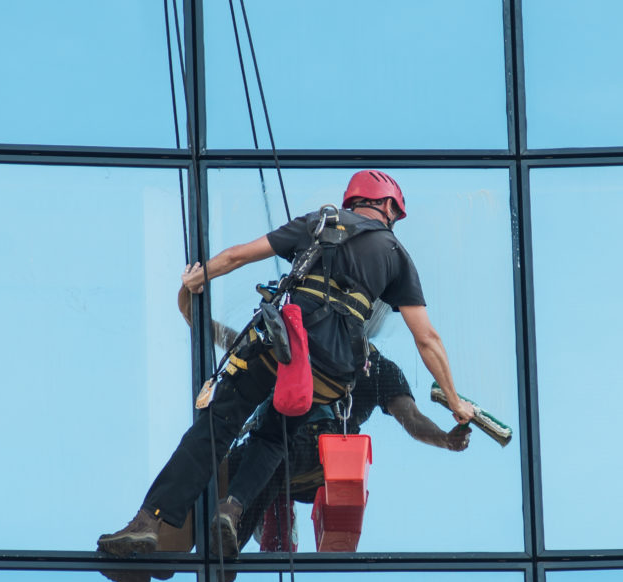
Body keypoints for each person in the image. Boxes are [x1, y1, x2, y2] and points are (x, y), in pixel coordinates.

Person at [98, 169, 475, 559]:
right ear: (387, 205)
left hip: (285, 352)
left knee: (214, 430)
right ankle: (232, 509)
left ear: (355, 202)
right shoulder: (397, 256)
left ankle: (148, 524)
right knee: (274, 436)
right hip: (330, 374)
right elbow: (427, 338)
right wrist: (454, 401)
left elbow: (237, 256)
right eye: (395, 214)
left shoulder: (319, 223)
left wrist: (197, 278)